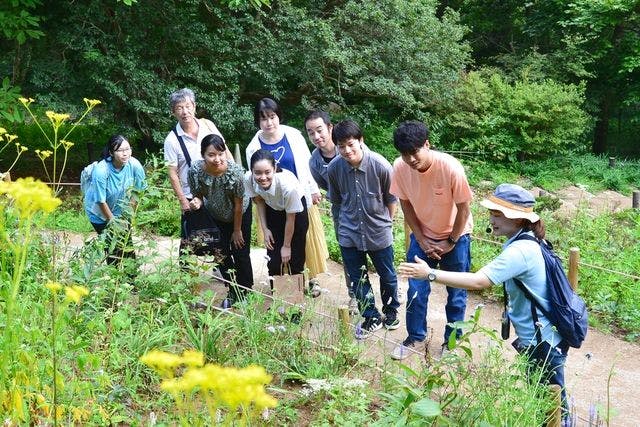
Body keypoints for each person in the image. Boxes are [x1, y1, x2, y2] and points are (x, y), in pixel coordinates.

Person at [398, 183, 569, 417]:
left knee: (551, 409)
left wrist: (430, 274)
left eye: (497, 214)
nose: (491, 219)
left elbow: (480, 281)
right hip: (544, 336)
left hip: (543, 342)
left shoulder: (520, 252)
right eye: (491, 213)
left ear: (518, 220)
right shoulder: (527, 240)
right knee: (544, 403)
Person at [389, 120, 473, 360]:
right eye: (406, 154)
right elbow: (405, 204)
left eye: (415, 152)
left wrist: (451, 241)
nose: (411, 159)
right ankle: (415, 337)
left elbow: (464, 209)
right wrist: (421, 238)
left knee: (456, 293)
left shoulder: (450, 168)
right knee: (416, 289)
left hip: (456, 235)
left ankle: (452, 343)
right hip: (423, 235)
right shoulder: (400, 167)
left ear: (427, 144)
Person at [327, 120, 400, 339]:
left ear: (360, 141)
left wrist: (386, 223)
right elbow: (337, 202)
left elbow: (391, 200)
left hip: (378, 231)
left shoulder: (380, 165)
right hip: (349, 232)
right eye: (341, 146)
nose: (347, 151)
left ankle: (390, 311)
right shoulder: (334, 168)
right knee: (358, 278)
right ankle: (371, 317)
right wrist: (341, 228)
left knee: (387, 275)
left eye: (350, 144)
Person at [246, 98, 325, 295]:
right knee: (275, 248)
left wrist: (314, 188)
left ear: (278, 116)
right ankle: (282, 293)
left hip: (296, 197)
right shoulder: (253, 147)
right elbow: (256, 189)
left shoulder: (293, 135)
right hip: (270, 201)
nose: (269, 123)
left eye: (272, 117)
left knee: (300, 243)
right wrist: (264, 227)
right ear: (258, 121)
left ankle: (306, 282)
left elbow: (308, 162)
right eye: (263, 119)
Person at [163, 88, 232, 260]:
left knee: (219, 235)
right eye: (179, 108)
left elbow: (225, 151)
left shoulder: (208, 126)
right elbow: (172, 173)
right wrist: (182, 201)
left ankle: (225, 273)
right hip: (191, 196)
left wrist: (234, 175)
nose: (185, 112)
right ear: (173, 112)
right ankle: (187, 280)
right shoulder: (172, 140)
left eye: (188, 106)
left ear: (194, 106)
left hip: (217, 191)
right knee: (190, 240)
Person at [188, 134, 253, 306]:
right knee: (220, 254)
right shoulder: (195, 170)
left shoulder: (236, 173)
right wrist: (197, 201)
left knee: (240, 251)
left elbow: (238, 205)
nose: (217, 159)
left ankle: (246, 290)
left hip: (240, 213)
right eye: (211, 155)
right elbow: (198, 194)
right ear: (203, 155)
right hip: (215, 215)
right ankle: (232, 289)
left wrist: (237, 231)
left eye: (220, 153)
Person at [304, 110, 357, 313]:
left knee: (377, 252)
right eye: (311, 133)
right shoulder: (314, 162)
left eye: (319, 130)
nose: (317, 137)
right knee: (348, 254)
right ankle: (355, 296)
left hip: (366, 209)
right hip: (341, 212)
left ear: (330, 128)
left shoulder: (349, 145)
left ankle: (390, 291)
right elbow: (324, 186)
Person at [244, 149, 309, 284]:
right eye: (258, 173)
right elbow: (259, 201)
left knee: (294, 257)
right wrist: (265, 229)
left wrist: (286, 246)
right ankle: (277, 300)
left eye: (267, 172)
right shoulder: (248, 178)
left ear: (274, 169)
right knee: (273, 260)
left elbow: (290, 219)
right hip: (272, 208)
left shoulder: (287, 186)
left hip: (295, 213)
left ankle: (296, 300)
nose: (263, 177)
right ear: (251, 170)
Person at [84, 134, 146, 267]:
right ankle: (114, 282)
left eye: (127, 149)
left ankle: (131, 282)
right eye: (120, 150)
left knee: (127, 245)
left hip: (121, 211)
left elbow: (137, 192)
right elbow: (100, 201)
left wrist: (128, 217)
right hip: (99, 213)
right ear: (111, 152)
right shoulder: (102, 170)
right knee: (113, 247)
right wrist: (114, 223)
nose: (125, 154)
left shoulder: (134, 165)